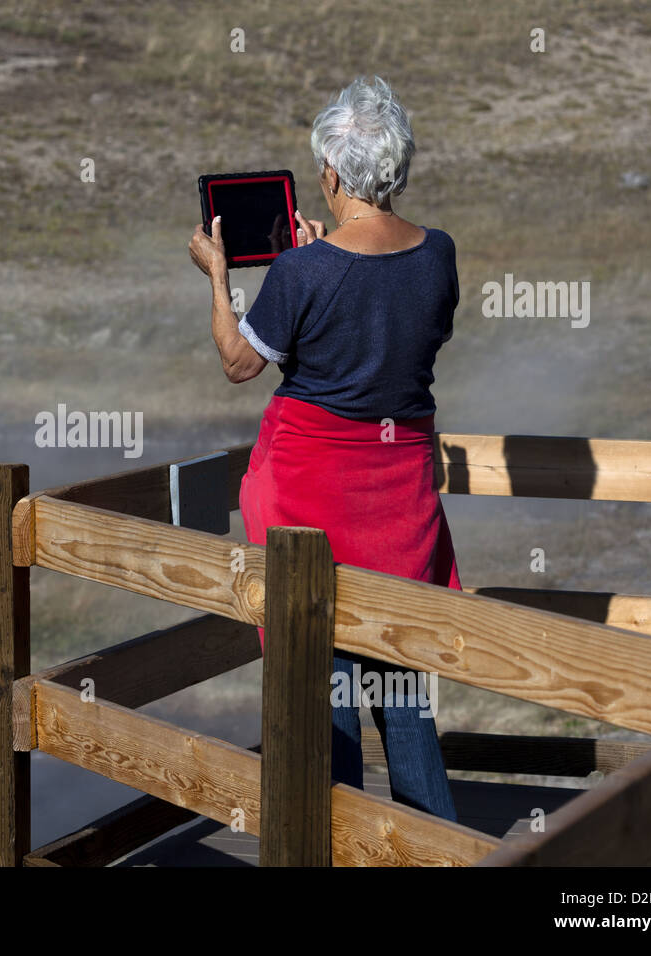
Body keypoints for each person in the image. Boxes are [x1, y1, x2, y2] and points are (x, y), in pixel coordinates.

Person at [187, 75, 461, 821]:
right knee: (403, 698)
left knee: (322, 691)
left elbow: (241, 363)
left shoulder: (301, 270)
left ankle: (330, 840)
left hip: (310, 505)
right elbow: (393, 331)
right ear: (396, 170)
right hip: (401, 503)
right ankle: (435, 846)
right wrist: (316, 267)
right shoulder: (438, 254)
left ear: (332, 175)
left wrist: (220, 279)